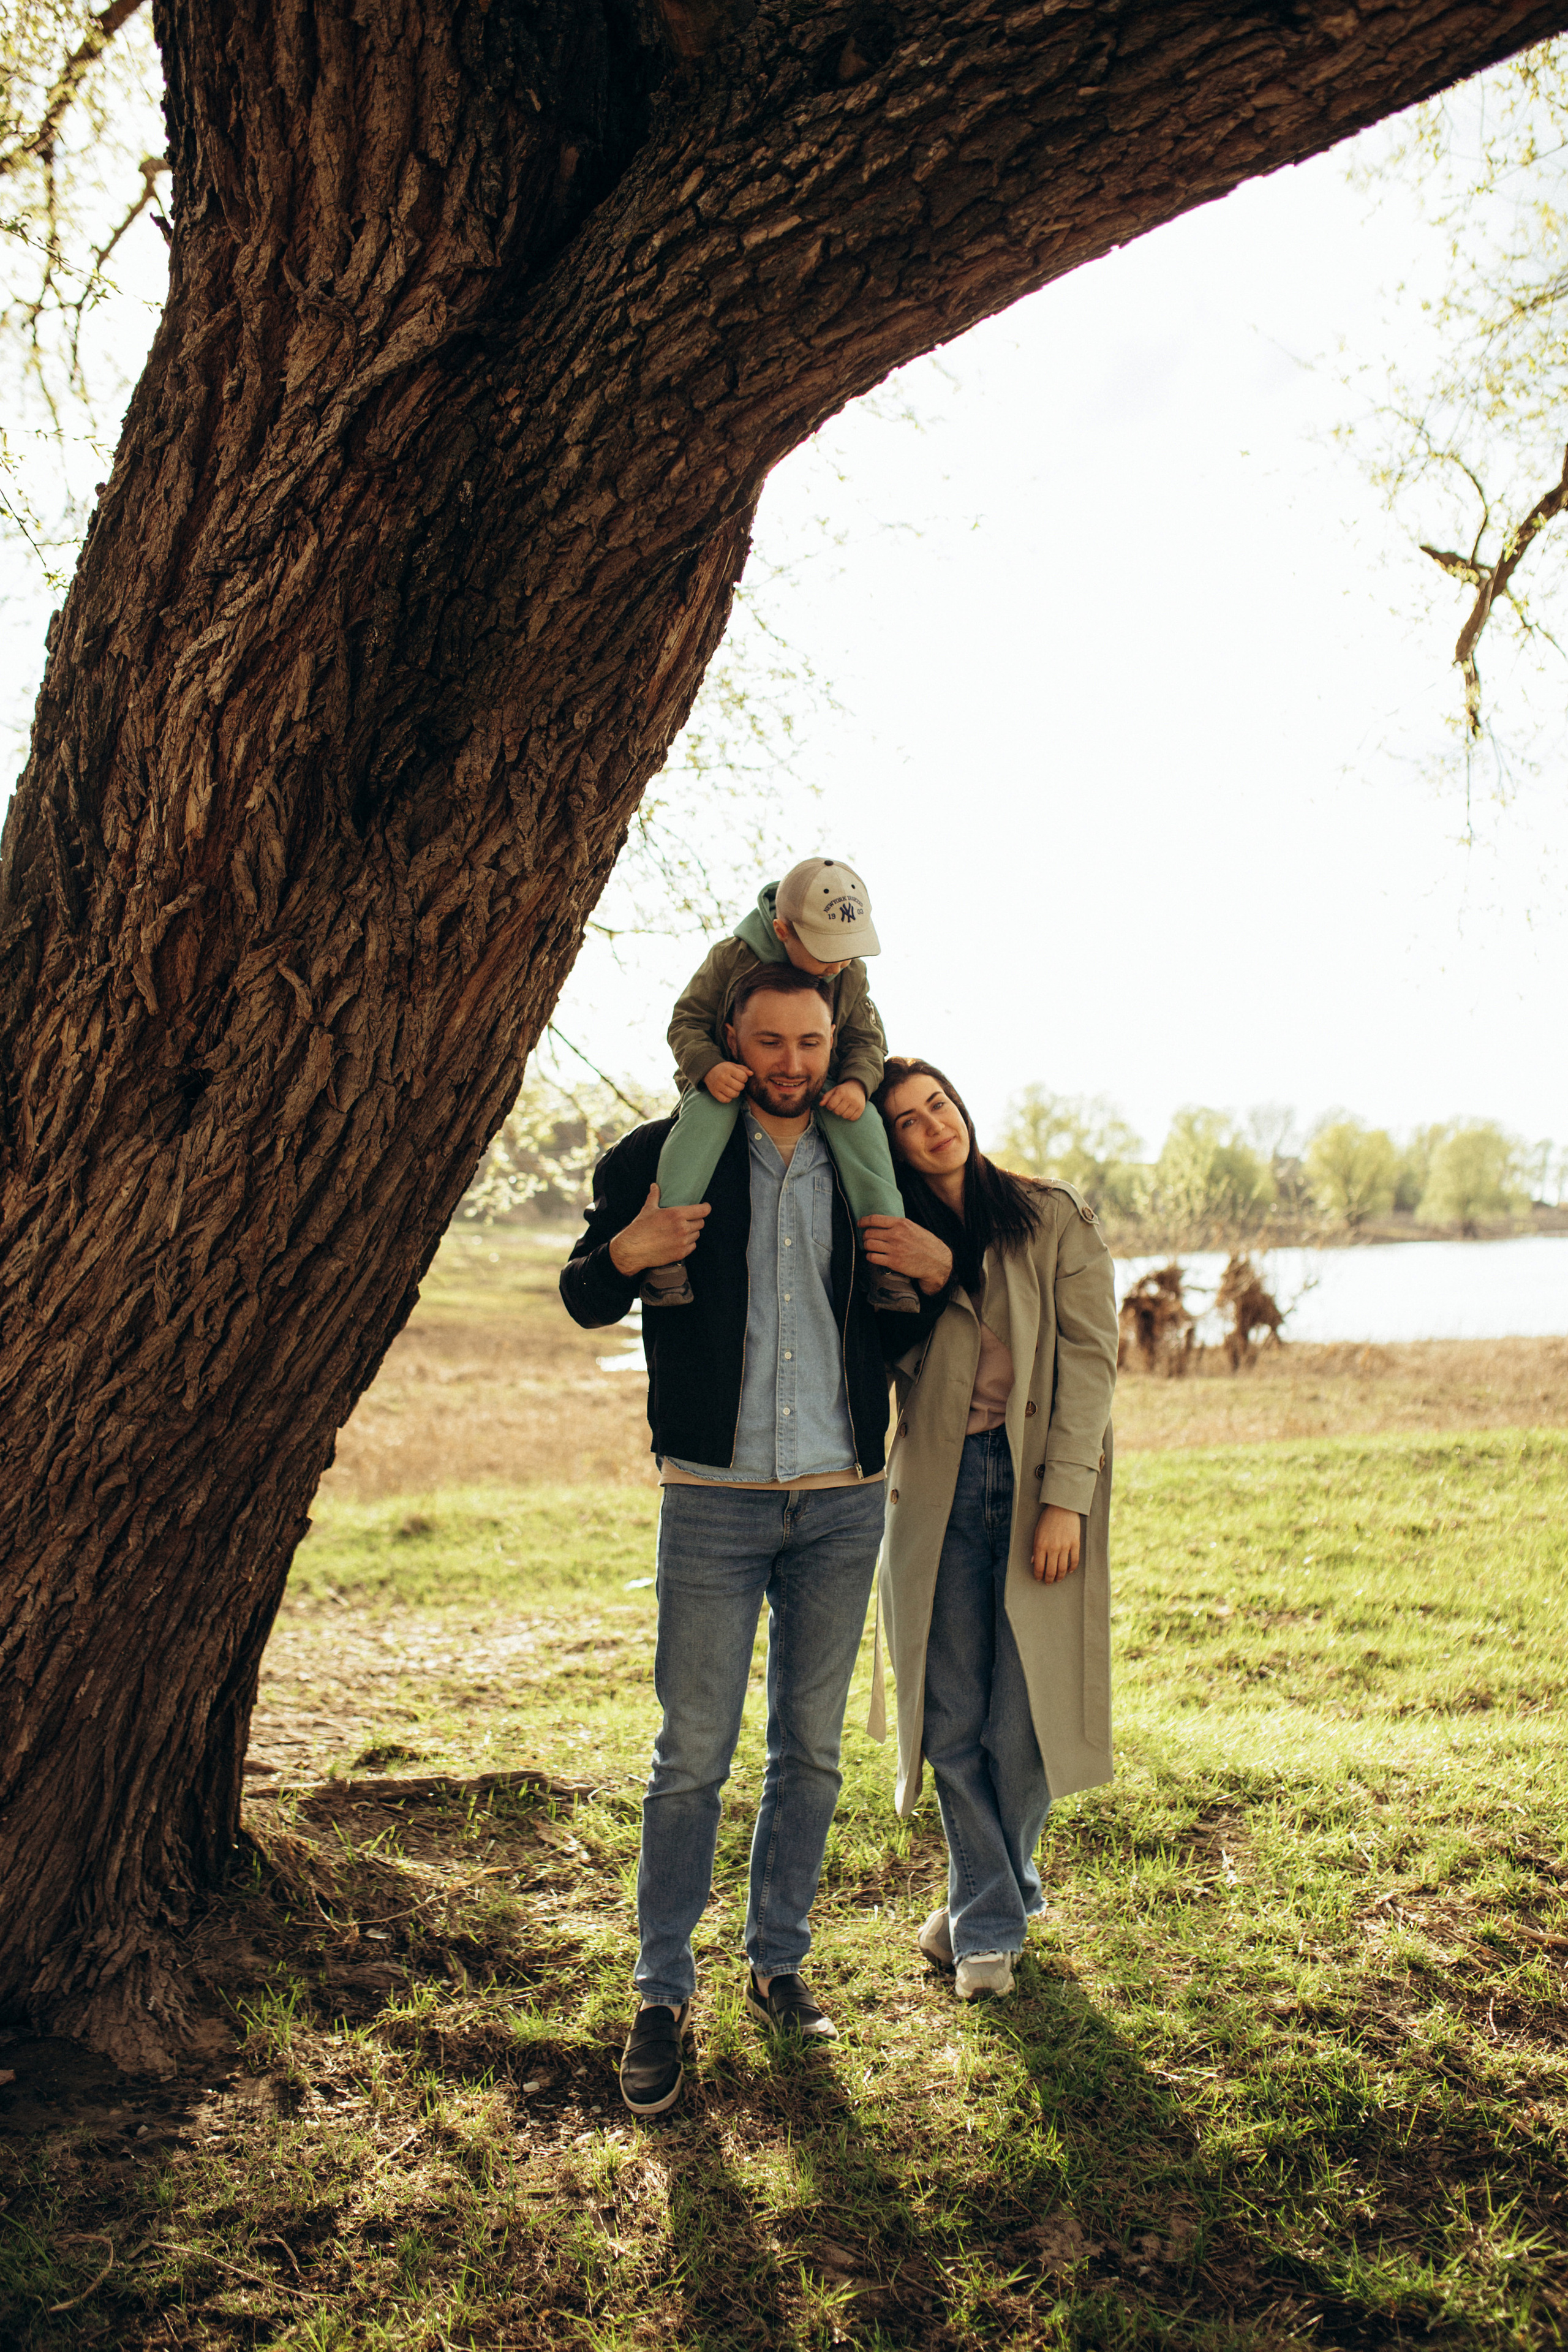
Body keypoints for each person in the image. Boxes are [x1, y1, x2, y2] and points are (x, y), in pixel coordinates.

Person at [559, 969, 953, 2117]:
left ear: (840, 1044)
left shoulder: (869, 1158)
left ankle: (779, 1963)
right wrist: (629, 1254)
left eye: (811, 1041)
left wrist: (934, 1274)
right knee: (690, 1755)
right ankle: (660, 1992)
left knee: (811, 1752)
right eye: (770, 1040)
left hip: (842, 1501)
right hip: (713, 1501)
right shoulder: (657, 1155)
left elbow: (917, 1307)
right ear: (731, 1038)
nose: (791, 1061)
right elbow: (586, 1293)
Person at [869, 1057, 1118, 2002]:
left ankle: (986, 1899)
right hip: (935, 1484)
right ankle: (989, 1927)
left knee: (1029, 1718)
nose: (932, 1125)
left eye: (938, 1105)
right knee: (949, 1710)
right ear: (889, 1145)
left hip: (1034, 1487)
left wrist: (1067, 1497)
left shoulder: (1048, 1215)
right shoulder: (888, 1239)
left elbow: (1091, 1361)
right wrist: (933, 1277)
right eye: (906, 1121)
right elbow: (883, 1356)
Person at [638, 856, 919, 1314]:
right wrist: (708, 1067)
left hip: (819, 1080)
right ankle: (666, 1249)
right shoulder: (732, 957)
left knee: (863, 1121)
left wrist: (856, 1081)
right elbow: (686, 1020)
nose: (840, 961)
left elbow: (867, 1038)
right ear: (784, 931)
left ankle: (889, 1260)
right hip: (729, 1073)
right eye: (826, 949)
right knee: (705, 1120)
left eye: (849, 947)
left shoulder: (848, 971)